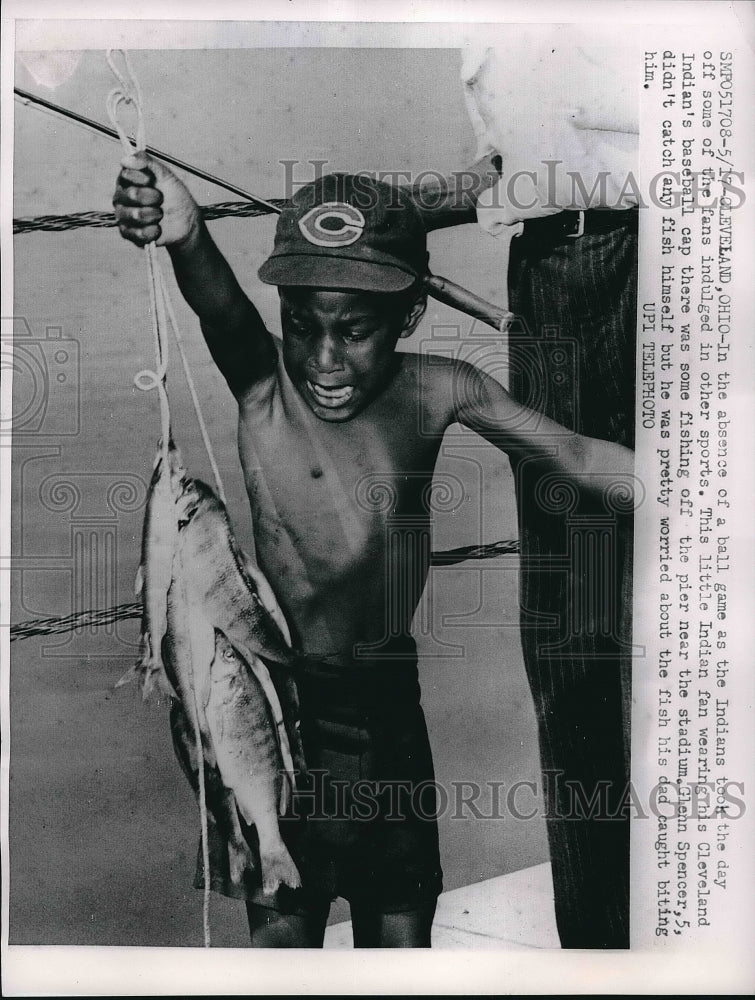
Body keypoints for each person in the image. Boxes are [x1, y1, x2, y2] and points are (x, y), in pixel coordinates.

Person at [113, 155, 634, 948]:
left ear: (408, 316)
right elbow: (220, 310)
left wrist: (703, 483)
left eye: (354, 331)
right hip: (275, 701)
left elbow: (578, 456)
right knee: (280, 935)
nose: (324, 359)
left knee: (399, 933)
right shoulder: (265, 389)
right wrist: (186, 233)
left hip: (390, 708)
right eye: (300, 323)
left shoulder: (442, 388)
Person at [410, 33, 639, 949]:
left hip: (665, 258)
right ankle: (601, 946)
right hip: (564, 263)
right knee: (575, 629)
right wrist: (386, 206)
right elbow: (529, 155)